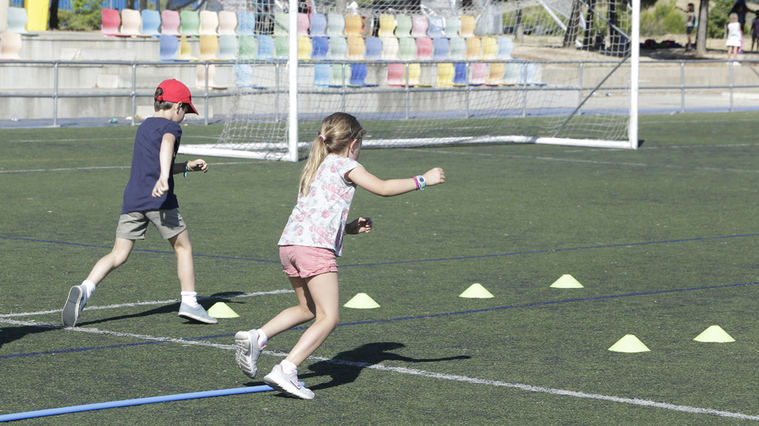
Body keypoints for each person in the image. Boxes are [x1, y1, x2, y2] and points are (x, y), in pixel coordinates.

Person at [234, 112, 446, 399]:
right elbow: (382, 188)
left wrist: (347, 228)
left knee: (308, 308)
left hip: (290, 245)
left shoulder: (316, 166)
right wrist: (424, 180)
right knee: (329, 317)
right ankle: (287, 369)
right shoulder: (347, 164)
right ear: (353, 142)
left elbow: (315, 215)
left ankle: (257, 337)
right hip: (314, 250)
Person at [61, 79, 217, 327]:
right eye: (185, 111)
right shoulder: (172, 128)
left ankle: (85, 288)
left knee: (118, 254)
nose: (184, 116)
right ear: (177, 107)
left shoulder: (144, 126)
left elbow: (155, 162)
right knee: (183, 247)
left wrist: (186, 166)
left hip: (133, 199)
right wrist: (164, 178)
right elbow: (166, 145)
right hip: (160, 201)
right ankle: (189, 302)